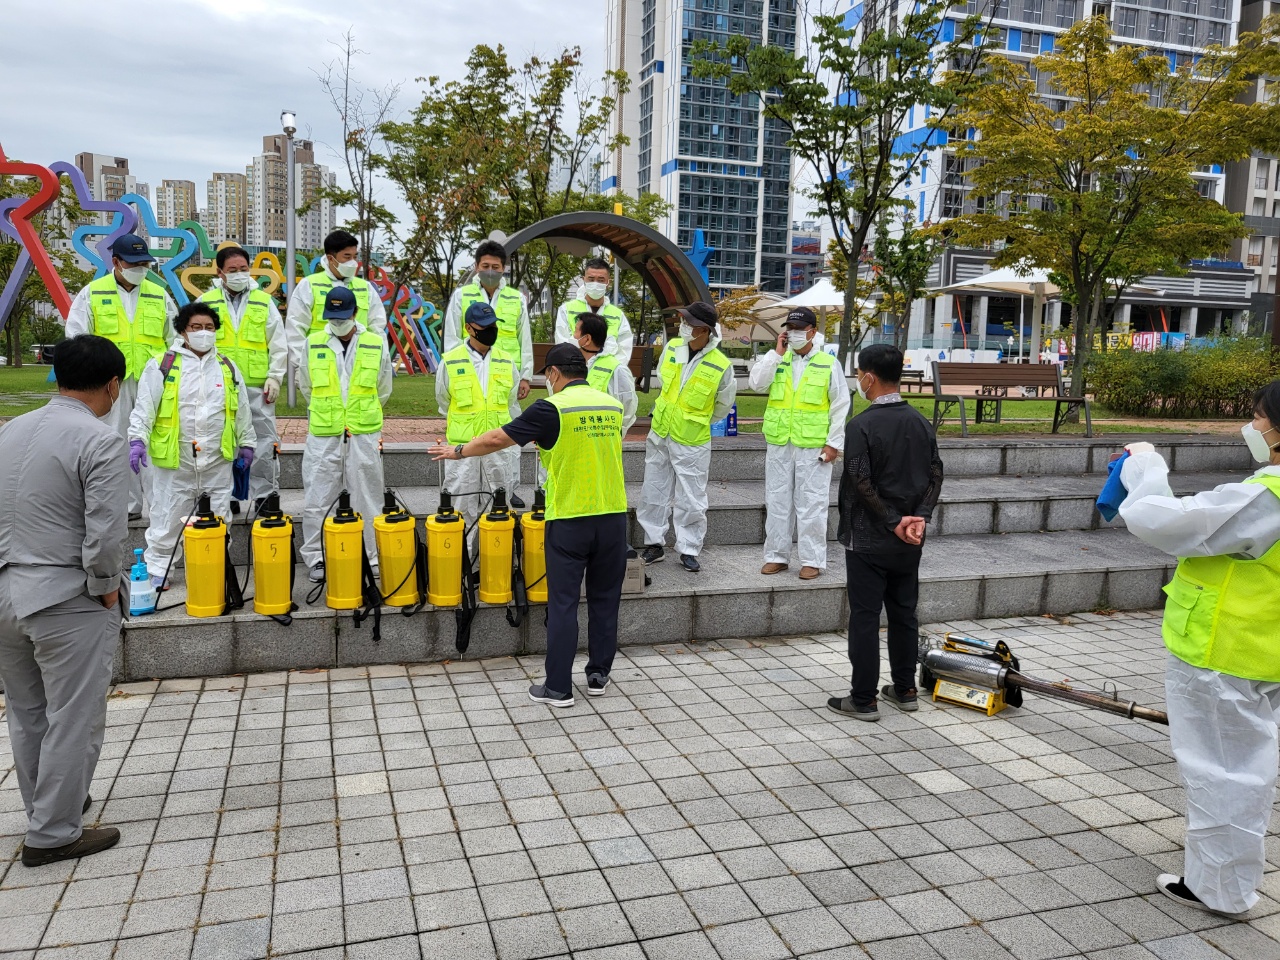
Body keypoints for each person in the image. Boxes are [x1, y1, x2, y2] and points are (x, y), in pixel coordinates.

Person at [1117, 380, 1280, 917]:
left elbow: (1163, 522)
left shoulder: (1267, 498)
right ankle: (1223, 871)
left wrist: (1146, 468)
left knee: (1222, 773)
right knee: (1245, 766)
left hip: (1223, 652)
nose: (1252, 427)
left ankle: (1219, 889)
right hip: (1265, 649)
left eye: (1259, 417)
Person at [428, 343, 627, 708]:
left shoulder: (551, 409)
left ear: (553, 373)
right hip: (613, 517)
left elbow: (496, 439)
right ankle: (599, 675)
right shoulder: (611, 405)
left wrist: (457, 451)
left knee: (564, 603)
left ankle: (558, 688)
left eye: (546, 375)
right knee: (605, 600)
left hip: (570, 519)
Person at [0, 335, 130, 866]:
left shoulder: (10, 430)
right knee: (74, 715)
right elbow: (105, 532)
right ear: (113, 385)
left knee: (27, 712)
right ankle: (54, 833)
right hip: (63, 594)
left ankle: (52, 807)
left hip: (5, 588)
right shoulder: (100, 440)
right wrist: (106, 586)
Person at [828, 344, 943, 723]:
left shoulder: (861, 425)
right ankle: (905, 689)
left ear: (869, 378)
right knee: (904, 613)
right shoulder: (920, 422)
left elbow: (860, 480)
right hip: (910, 536)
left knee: (865, 616)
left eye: (859, 374)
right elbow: (936, 473)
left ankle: (863, 698)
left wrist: (893, 520)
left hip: (869, 537)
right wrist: (919, 517)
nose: (858, 381)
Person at [128, 303, 255, 587]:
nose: (203, 333)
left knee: (219, 517)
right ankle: (160, 569)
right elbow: (145, 408)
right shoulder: (162, 365)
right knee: (167, 516)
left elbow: (242, 410)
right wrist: (137, 439)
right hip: (177, 460)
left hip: (216, 460)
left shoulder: (227, 367)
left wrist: (247, 443)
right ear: (183, 330)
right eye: (196, 327)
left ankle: (214, 566)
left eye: (209, 327)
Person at [65, 233, 179, 518]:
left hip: (153, 381)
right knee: (114, 440)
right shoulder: (93, 293)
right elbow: (77, 336)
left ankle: (159, 508)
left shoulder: (159, 294)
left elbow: (176, 339)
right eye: (134, 263)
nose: (141, 268)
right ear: (116, 262)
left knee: (155, 439)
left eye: (144, 263)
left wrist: (170, 375)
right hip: (110, 382)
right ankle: (127, 506)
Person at [298, 286, 393, 582]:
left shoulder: (375, 343)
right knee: (318, 494)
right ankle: (317, 557)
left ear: (355, 313)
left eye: (343, 317)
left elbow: (383, 388)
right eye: (333, 317)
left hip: (363, 430)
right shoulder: (313, 342)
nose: (338, 322)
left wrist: (357, 411)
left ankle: (370, 556)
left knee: (367, 494)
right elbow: (306, 385)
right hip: (324, 431)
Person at [749, 307, 849, 580]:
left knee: (812, 503)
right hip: (780, 441)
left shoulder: (828, 363)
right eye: (789, 328)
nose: (792, 333)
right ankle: (776, 556)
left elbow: (840, 405)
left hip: (813, 445)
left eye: (798, 329)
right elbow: (757, 384)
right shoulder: (777, 359)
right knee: (777, 500)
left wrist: (833, 444)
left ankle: (812, 560)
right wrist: (775, 353)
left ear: (812, 332)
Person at [636, 301, 736, 572]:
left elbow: (723, 405)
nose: (683, 326)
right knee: (653, 489)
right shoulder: (672, 348)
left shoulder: (721, 365)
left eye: (689, 323)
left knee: (691, 497)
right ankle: (653, 544)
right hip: (661, 431)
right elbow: (665, 384)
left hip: (692, 439)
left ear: (704, 330)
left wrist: (695, 420)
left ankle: (689, 549)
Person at [443, 240, 533, 506]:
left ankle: (508, 487)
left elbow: (524, 338)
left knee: (508, 432)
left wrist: (525, 375)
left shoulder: (516, 298)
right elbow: (452, 335)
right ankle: (469, 487)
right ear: (476, 266)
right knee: (468, 426)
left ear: (504, 268)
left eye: (496, 266)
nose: (490, 271)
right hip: (468, 372)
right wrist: (453, 369)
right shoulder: (462, 295)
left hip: (505, 375)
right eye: (485, 266)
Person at [198, 246, 287, 510]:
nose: (239, 274)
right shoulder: (205, 302)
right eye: (233, 270)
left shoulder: (263, 301)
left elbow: (278, 343)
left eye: (243, 269)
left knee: (264, 440)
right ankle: (229, 496)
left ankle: (265, 495)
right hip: (219, 384)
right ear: (220, 272)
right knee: (223, 440)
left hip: (258, 384)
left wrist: (275, 377)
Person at [435, 302, 523, 544]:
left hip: (497, 446)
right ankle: (462, 561)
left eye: (493, 325)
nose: (490, 330)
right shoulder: (451, 361)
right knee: (460, 507)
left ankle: (494, 560)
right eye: (484, 326)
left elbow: (511, 399)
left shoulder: (506, 361)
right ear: (469, 328)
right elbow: (443, 400)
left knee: (498, 507)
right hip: (463, 449)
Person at [285, 229, 388, 371]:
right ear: (331, 258)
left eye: (355, 256)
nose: (353, 262)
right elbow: (295, 330)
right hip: (321, 367)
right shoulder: (309, 285)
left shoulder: (365, 287)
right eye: (347, 256)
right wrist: (303, 367)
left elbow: (377, 328)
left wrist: (381, 364)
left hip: (360, 367)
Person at [554, 257, 635, 363]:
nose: (595, 284)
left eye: (601, 280)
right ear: (584, 280)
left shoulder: (618, 315)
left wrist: (606, 368)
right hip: (575, 369)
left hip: (606, 371)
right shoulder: (566, 310)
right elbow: (562, 344)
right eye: (591, 279)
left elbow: (624, 350)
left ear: (608, 282)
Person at [576, 312, 638, 435]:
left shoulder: (616, 369)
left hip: (602, 438)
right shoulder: (574, 364)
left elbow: (628, 406)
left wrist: (614, 434)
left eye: (576, 331)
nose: (572, 336)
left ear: (587, 339)